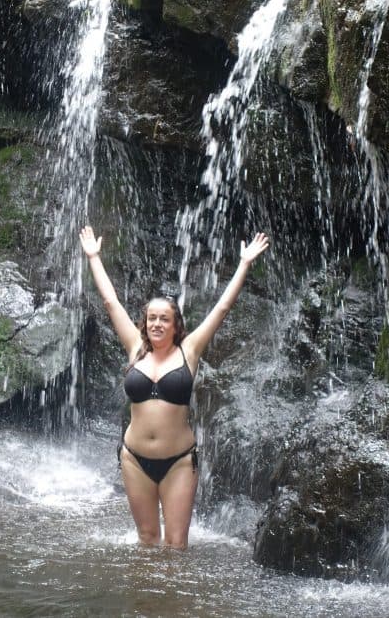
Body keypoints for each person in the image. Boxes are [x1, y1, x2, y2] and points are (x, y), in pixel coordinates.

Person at [79, 225, 270, 548]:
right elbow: (111, 302)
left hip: (180, 461)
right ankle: (146, 601)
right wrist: (94, 257)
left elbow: (221, 309)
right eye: (151, 318)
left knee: (177, 543)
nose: (156, 323)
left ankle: (171, 601)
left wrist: (244, 264)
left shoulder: (190, 350)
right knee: (147, 539)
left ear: (175, 324)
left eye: (164, 319)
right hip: (134, 459)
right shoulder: (134, 346)